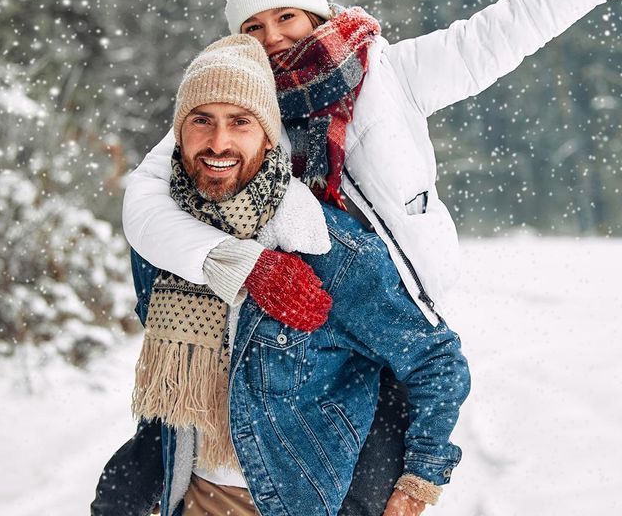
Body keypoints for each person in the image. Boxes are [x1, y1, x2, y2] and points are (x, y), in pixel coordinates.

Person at [114, 0, 622, 513]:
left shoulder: (389, 74)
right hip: (313, 336)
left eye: (285, 16)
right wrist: (241, 264)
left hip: (393, 316)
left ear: (315, 13)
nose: (273, 38)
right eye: (254, 27)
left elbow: (497, 34)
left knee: (374, 490)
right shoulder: (236, 106)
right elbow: (144, 199)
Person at [109, 34, 471, 516]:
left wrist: (418, 481)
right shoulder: (162, 247)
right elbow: (180, 388)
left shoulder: (330, 251)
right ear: (180, 132)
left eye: (240, 122)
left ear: (268, 136)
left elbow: (436, 360)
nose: (218, 143)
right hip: (191, 497)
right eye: (201, 120)